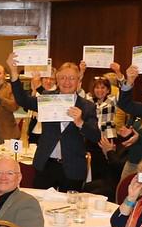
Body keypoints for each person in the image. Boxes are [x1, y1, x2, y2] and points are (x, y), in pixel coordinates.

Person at [8, 54, 99, 191]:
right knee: (41, 205)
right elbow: (22, 100)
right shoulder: (47, 99)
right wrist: (13, 72)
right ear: (57, 79)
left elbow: (96, 136)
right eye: (63, 77)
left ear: (79, 80)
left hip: (73, 167)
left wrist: (80, 122)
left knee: (69, 208)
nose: (66, 82)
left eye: (71, 78)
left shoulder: (87, 106)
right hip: (45, 164)